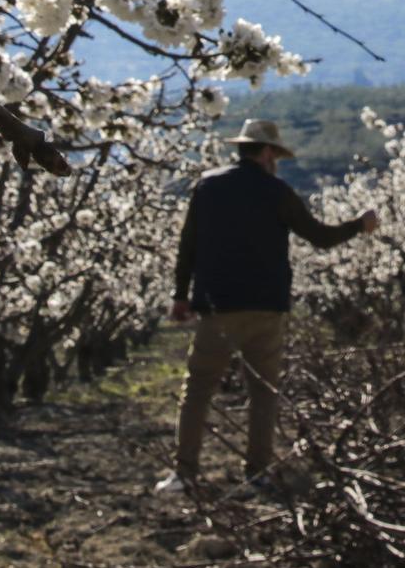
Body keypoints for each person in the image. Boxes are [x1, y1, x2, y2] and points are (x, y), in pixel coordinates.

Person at [154, 119, 379, 496]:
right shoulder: (277, 191)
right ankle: (256, 472)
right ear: (267, 152)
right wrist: (359, 224)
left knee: (197, 390)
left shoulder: (207, 186)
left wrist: (181, 295)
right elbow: (320, 237)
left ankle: (185, 472)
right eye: (275, 154)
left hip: (217, 305)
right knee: (263, 392)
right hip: (265, 306)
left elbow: (187, 244)